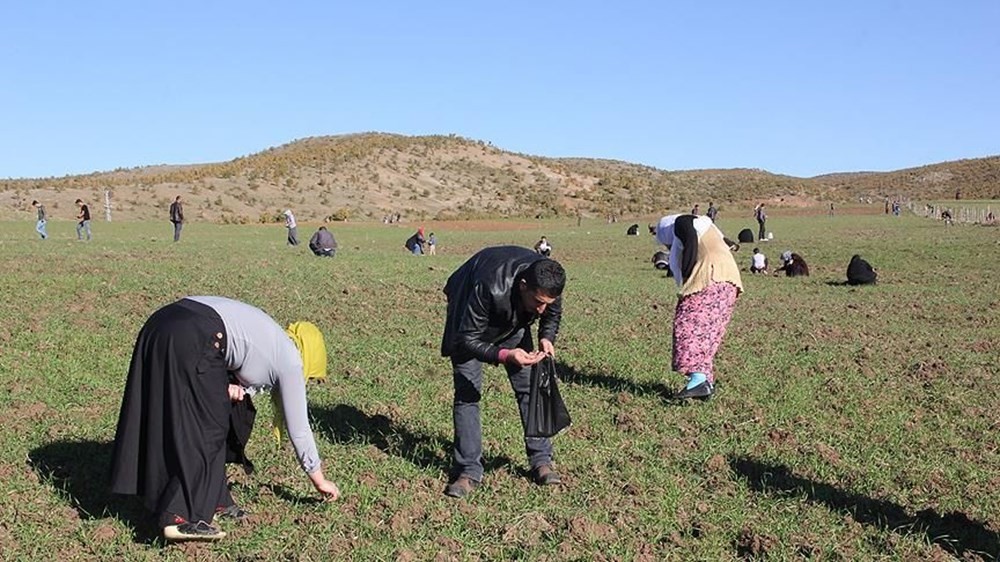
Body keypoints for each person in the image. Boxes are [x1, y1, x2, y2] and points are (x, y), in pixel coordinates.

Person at [109, 296, 340, 541]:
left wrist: (228, 387)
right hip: (199, 333)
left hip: (163, 322)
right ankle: (180, 515)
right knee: (208, 426)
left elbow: (232, 361)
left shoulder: (273, 337)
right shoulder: (291, 360)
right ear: (310, 357)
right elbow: (300, 429)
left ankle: (216, 499)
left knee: (183, 411)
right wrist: (319, 479)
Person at [440, 247, 566, 498]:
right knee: (468, 394)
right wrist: (505, 355)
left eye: (547, 303)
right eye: (538, 303)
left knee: (530, 388)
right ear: (522, 286)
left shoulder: (548, 280)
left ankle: (541, 460)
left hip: (513, 320)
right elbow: (467, 339)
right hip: (468, 321)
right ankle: (468, 470)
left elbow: (551, 312)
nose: (542, 309)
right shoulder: (488, 287)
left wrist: (546, 337)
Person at [655, 215, 743, 400]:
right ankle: (705, 382)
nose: (670, 248)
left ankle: (698, 379)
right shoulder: (707, 227)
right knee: (708, 331)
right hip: (729, 280)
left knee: (688, 324)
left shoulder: (683, 222)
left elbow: (688, 233)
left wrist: (688, 274)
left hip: (709, 275)